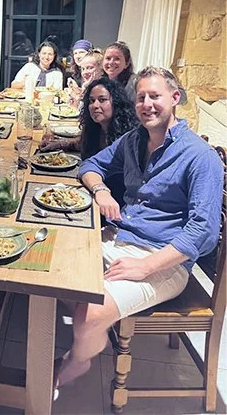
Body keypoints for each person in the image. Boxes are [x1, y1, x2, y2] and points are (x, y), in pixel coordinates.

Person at [55, 67, 223, 393]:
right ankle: (93, 335)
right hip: (121, 237)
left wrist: (146, 266)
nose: (147, 104)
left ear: (175, 98)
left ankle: (80, 357)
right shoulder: (134, 140)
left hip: (164, 259)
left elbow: (203, 231)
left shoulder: (199, 157)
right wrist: (101, 191)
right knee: (51, 266)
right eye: (141, 97)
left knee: (88, 315)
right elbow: (90, 165)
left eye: (155, 96)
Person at [39, 76, 138, 160]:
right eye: (91, 101)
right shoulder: (96, 128)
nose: (95, 105)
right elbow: (79, 143)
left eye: (102, 100)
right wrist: (58, 144)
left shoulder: (128, 138)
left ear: (116, 103)